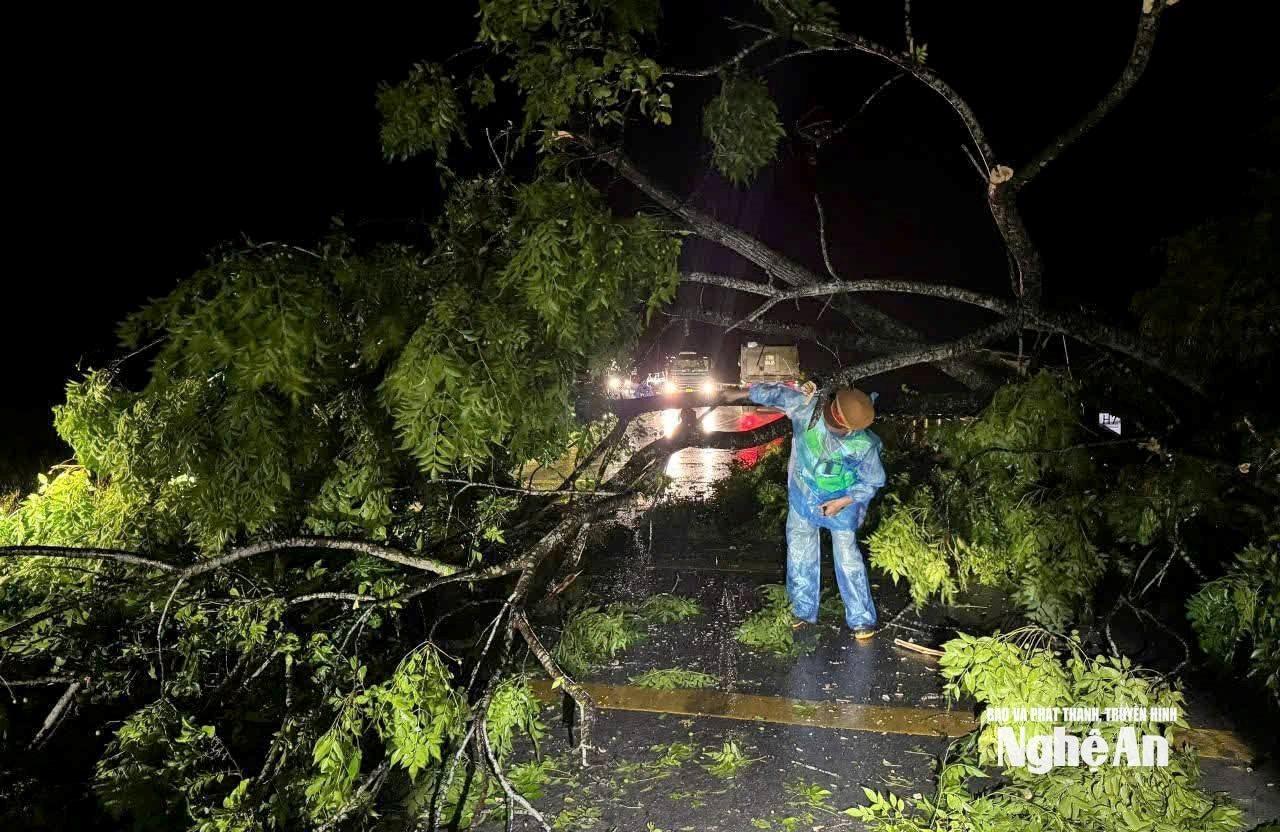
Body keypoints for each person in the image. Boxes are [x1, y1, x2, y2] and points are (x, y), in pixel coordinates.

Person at [724, 382, 886, 638]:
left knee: (847, 557)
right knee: (800, 553)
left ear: (850, 429)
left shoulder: (864, 446)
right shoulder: (807, 409)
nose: (832, 429)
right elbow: (777, 394)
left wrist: (842, 502)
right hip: (803, 495)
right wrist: (740, 393)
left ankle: (861, 619)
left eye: (838, 430)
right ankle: (801, 610)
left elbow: (872, 482)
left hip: (842, 504)